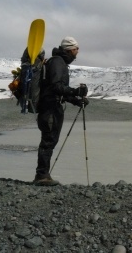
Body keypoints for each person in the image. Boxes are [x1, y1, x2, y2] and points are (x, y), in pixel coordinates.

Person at [33, 36, 89, 186]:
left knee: (50, 140)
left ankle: (43, 174)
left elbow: (58, 91)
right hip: (50, 109)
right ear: (70, 50)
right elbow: (56, 87)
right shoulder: (58, 63)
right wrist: (76, 91)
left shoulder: (58, 62)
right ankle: (42, 176)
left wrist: (76, 101)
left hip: (50, 107)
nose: (77, 53)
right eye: (76, 49)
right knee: (49, 140)